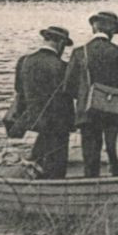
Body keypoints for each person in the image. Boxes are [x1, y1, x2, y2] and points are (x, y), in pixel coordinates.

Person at [61, 10, 118, 178]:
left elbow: (68, 87)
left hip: (87, 112)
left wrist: (86, 97)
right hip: (114, 112)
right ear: (111, 31)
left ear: (94, 28)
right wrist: (114, 97)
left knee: (90, 157)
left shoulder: (79, 52)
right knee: (116, 153)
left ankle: (92, 185)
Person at [9, 26, 74, 179]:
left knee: (39, 154)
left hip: (32, 119)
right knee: (56, 165)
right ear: (60, 43)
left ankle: (35, 177)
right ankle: (54, 185)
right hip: (57, 122)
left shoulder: (24, 61)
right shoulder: (62, 66)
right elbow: (67, 95)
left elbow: (19, 89)